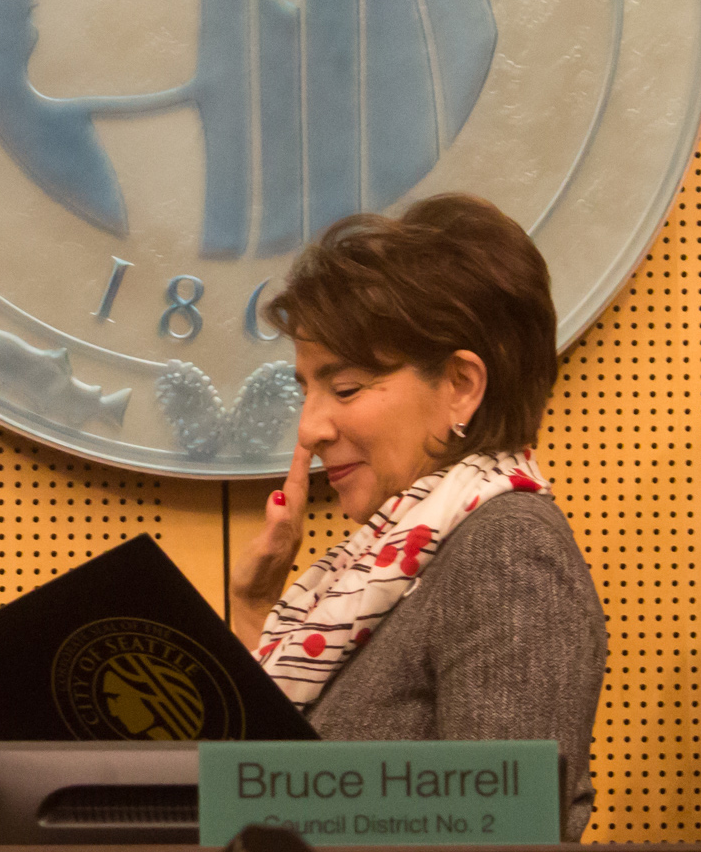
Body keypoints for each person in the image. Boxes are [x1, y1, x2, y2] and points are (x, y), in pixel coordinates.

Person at [228, 194, 605, 840]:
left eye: (343, 387)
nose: (311, 427)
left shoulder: (508, 550)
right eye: (306, 389)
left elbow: (500, 831)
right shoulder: (384, 571)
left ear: (460, 383)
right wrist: (253, 609)